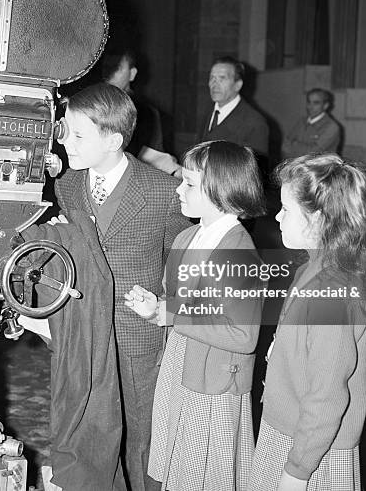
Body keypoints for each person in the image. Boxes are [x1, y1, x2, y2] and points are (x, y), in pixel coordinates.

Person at [55, 83, 191, 491]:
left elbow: (182, 268)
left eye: (79, 136)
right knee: (91, 435)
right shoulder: (67, 185)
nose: (67, 143)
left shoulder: (164, 192)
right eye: (65, 131)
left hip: (137, 339)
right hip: (84, 339)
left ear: (113, 140)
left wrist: (163, 310)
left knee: (142, 440)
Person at [124, 140, 265, 490]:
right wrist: (156, 306)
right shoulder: (189, 236)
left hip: (213, 382)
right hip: (179, 363)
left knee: (205, 476)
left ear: (220, 191)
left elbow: (243, 336)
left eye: (188, 183)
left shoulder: (238, 252)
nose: (178, 188)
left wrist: (171, 313)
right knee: (180, 469)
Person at [248, 154, 366, 491]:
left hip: (311, 450)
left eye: (287, 210)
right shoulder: (311, 268)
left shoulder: (331, 293)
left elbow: (326, 397)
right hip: (288, 429)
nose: (277, 217)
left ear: (319, 219)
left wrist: (296, 473)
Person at [103, 49, 182, 177]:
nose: (110, 73)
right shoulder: (91, 105)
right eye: (107, 67)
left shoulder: (146, 113)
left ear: (132, 74)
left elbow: (156, 157)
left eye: (118, 68)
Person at [199, 56, 269, 162]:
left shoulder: (255, 123)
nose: (214, 84)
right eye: (212, 78)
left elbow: (253, 173)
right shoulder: (208, 112)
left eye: (222, 78)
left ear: (237, 85)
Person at [281, 88, 341, 159]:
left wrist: (293, 145)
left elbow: (313, 153)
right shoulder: (301, 121)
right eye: (309, 102)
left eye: (316, 103)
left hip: (318, 169)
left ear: (325, 106)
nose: (310, 107)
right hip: (295, 167)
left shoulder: (332, 127)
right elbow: (284, 146)